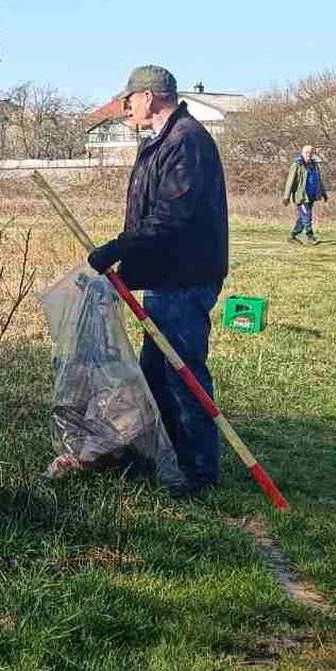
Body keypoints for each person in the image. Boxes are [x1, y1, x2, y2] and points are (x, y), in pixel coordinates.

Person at [84, 65, 228, 496]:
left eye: (129, 99)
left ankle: (201, 471)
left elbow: (171, 216)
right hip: (165, 276)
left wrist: (118, 248)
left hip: (184, 278)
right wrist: (131, 268)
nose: (126, 108)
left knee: (182, 373)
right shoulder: (162, 141)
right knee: (155, 372)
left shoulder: (186, 142)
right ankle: (171, 455)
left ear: (150, 97)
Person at [282, 144, 327, 244]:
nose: (309, 155)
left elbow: (319, 180)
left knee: (303, 218)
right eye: (307, 153)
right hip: (301, 196)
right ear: (302, 153)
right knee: (307, 215)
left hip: (311, 196)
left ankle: (292, 235)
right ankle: (310, 237)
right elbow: (290, 181)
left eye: (311, 153)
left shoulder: (314, 165)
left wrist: (323, 193)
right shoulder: (297, 165)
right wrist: (286, 197)